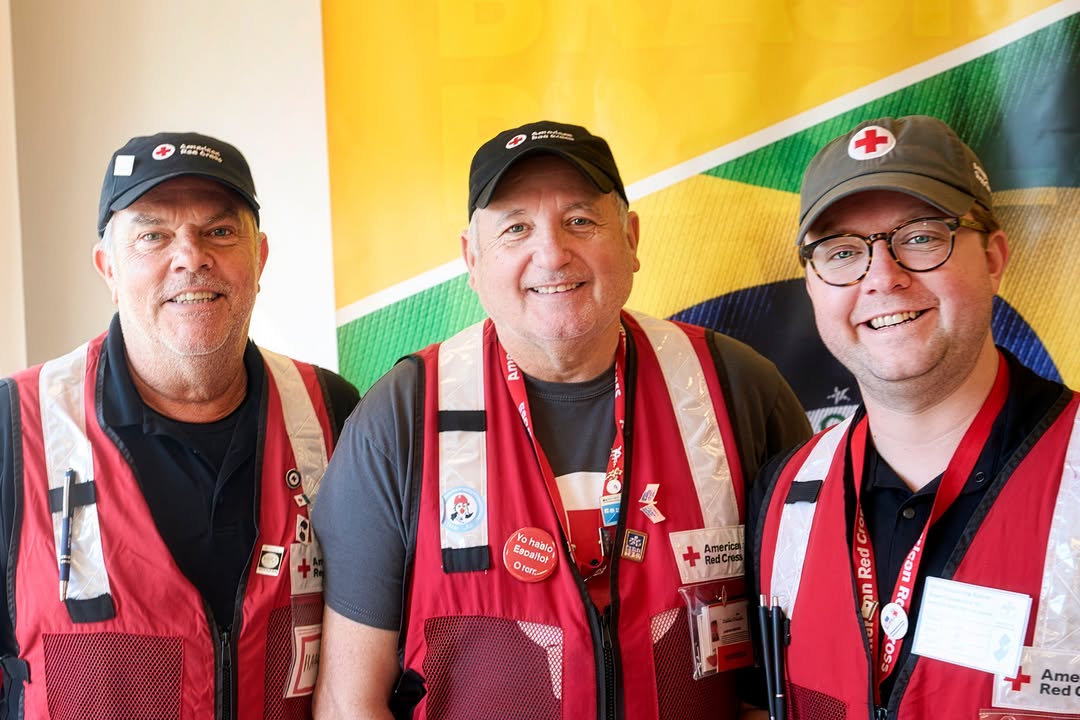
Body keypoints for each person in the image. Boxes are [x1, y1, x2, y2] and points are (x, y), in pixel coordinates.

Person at [312, 120, 810, 720]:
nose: (551, 254)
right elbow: (349, 702)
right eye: (516, 228)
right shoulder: (400, 417)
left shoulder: (738, 388)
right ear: (472, 259)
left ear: (630, 238)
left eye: (580, 220)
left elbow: (799, 669)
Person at [0, 131, 359, 719]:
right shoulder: (13, 427)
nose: (191, 257)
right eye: (153, 236)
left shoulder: (335, 412)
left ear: (260, 258)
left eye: (219, 232)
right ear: (108, 268)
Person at [752, 115, 1080, 719]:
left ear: (993, 258)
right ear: (813, 286)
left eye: (922, 237)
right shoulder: (783, 495)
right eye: (842, 251)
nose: (882, 277)